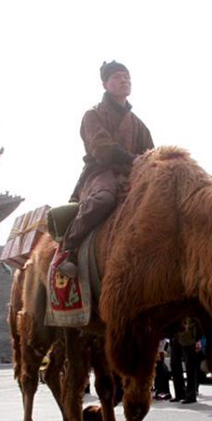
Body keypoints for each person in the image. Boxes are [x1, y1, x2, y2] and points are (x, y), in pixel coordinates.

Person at [57, 60, 155, 278]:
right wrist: (134, 160)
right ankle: (69, 247)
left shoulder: (139, 125)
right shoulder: (93, 115)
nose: (124, 80)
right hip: (101, 173)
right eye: (118, 77)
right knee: (104, 200)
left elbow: (150, 153)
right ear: (105, 84)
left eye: (127, 77)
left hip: (133, 175)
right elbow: (102, 148)